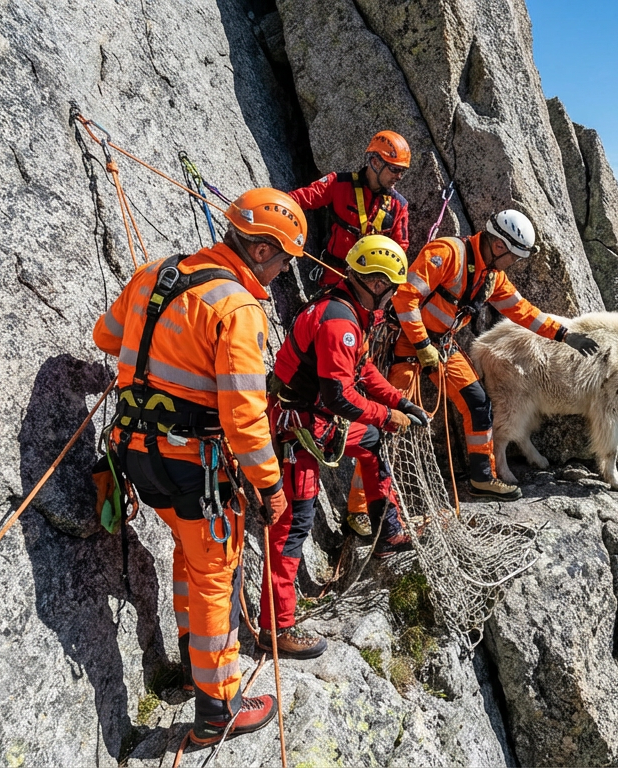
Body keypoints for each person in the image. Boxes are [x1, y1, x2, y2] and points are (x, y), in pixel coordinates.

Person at [92, 188, 303, 745]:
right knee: (215, 573)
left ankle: (192, 664)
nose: (283, 271)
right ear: (261, 250)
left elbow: (106, 336)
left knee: (189, 553)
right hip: (194, 464)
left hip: (134, 455)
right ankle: (220, 706)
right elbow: (244, 415)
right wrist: (270, 485)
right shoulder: (237, 308)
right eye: (284, 259)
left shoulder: (154, 273)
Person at [265, 234, 430, 656]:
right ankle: (276, 627)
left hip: (311, 420)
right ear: (376, 283)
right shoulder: (341, 321)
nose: (393, 296)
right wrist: (385, 415)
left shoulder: (347, 307)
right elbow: (339, 395)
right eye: (391, 287)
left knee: (371, 442)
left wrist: (398, 400)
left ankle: (386, 530)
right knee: (293, 525)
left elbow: (363, 369)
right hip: (294, 429)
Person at [389, 209, 600, 501]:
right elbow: (405, 297)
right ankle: (364, 508)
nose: (513, 263)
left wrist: (565, 335)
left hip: (441, 346)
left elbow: (524, 312)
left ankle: (483, 478)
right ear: (499, 245)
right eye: (513, 255)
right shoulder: (447, 252)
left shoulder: (492, 278)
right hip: (406, 343)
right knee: (393, 419)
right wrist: (422, 344)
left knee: (478, 405)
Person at [288, 131, 411, 288]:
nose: (399, 176)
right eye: (394, 169)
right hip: (334, 276)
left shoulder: (399, 206)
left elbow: (400, 250)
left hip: (370, 287)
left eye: (403, 171)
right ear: (375, 162)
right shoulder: (339, 184)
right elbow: (299, 199)